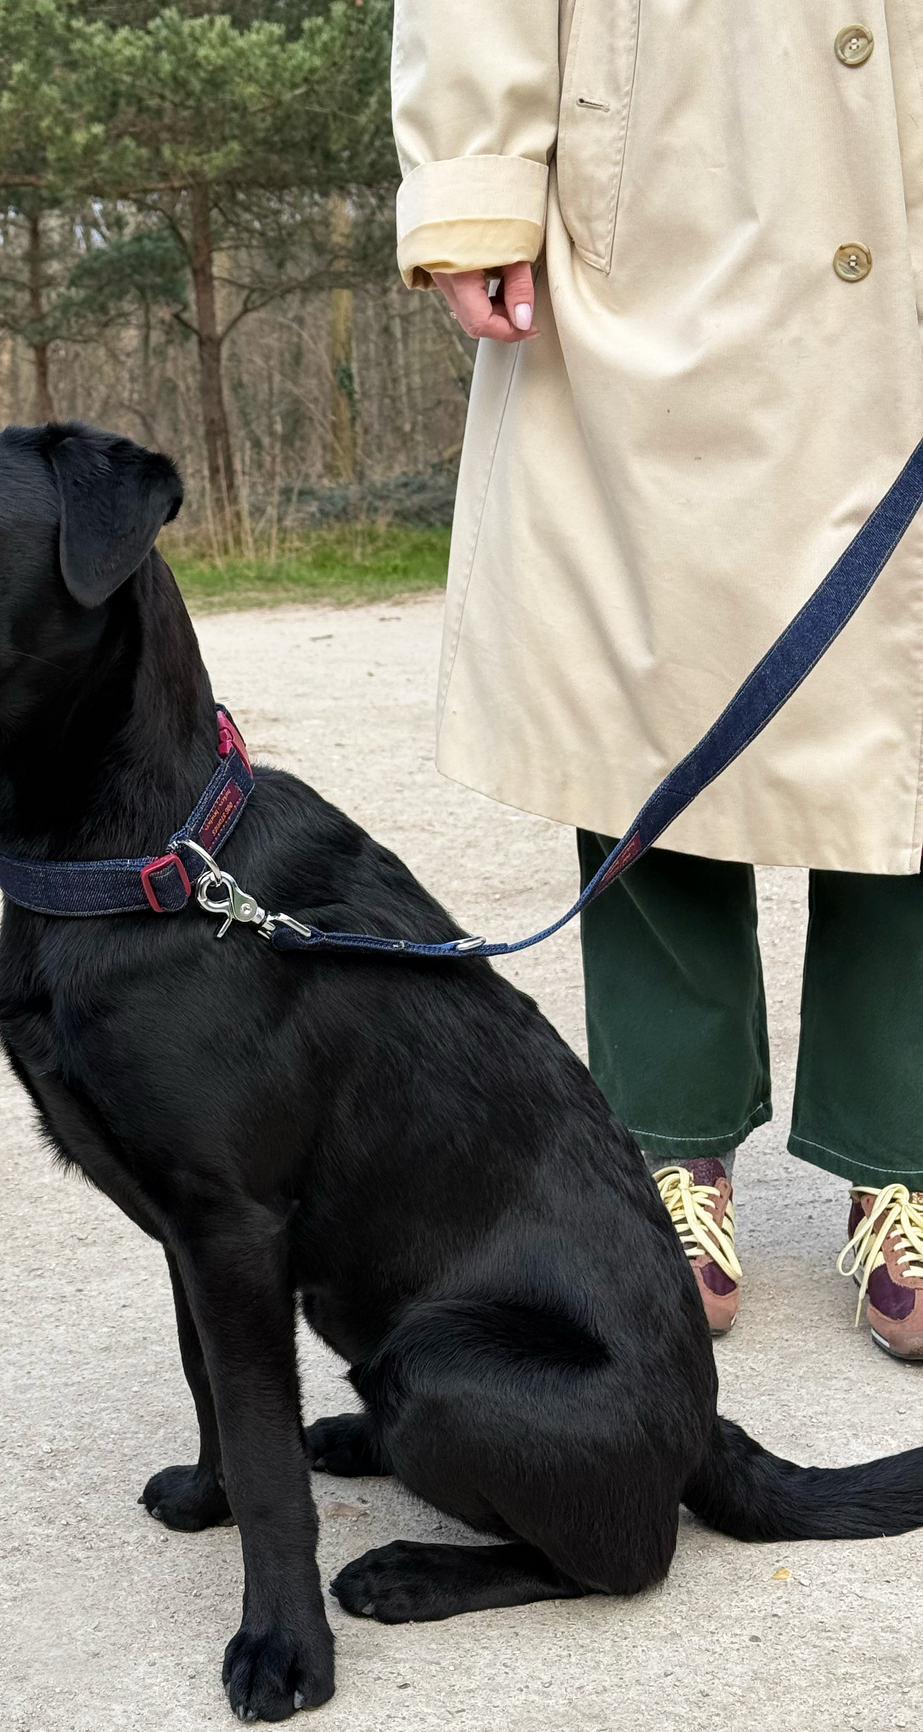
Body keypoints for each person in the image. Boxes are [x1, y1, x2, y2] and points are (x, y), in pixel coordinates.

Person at [391, 2, 923, 1357]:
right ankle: (669, 1153)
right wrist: (475, 181)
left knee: (912, 714)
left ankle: (903, 1154)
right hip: (674, 176)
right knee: (652, 686)